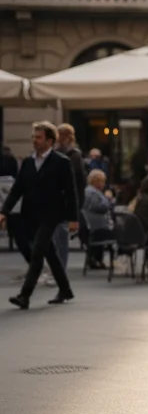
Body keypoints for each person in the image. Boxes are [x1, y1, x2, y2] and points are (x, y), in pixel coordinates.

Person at [0, 121, 79, 309]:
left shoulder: (62, 162)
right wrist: (3, 212)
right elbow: (17, 189)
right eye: (33, 137)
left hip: (52, 214)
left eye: (39, 137)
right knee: (49, 253)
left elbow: (71, 192)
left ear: (50, 141)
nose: (34, 141)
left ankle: (24, 295)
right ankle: (65, 289)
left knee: (37, 253)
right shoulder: (27, 162)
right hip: (31, 214)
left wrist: (73, 219)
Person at [53, 124, 87, 278]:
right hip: (57, 201)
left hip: (67, 201)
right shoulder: (57, 152)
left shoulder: (74, 155)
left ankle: (60, 271)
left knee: (61, 238)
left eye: (59, 135)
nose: (57, 138)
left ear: (67, 136)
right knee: (55, 237)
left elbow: (72, 179)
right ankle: (56, 269)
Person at [82, 169, 115, 270]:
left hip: (94, 224)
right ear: (97, 181)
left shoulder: (91, 191)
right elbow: (99, 207)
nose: (104, 184)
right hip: (97, 226)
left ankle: (97, 259)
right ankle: (97, 259)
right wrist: (109, 201)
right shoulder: (92, 193)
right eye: (102, 181)